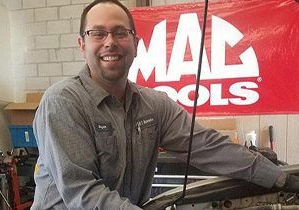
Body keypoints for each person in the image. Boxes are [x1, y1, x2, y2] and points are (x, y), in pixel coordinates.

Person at [31, 0, 299, 209]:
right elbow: (83, 194)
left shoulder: (153, 105)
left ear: (135, 43)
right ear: (82, 44)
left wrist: (279, 178)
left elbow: (207, 146)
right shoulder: (63, 102)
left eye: (120, 32)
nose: (110, 42)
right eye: (98, 34)